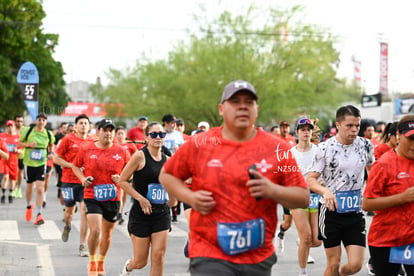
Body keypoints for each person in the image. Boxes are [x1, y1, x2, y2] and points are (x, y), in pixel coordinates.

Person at [159, 80, 309, 275]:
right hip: (209, 251)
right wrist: (190, 198)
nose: (242, 107)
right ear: (221, 109)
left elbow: (303, 197)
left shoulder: (277, 147)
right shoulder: (200, 143)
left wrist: (273, 191)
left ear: (256, 109)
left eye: (249, 102)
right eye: (235, 101)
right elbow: (167, 175)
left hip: (257, 254)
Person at [307, 105, 375, 276]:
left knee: (355, 265)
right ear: (338, 125)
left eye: (357, 126)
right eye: (349, 126)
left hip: (354, 212)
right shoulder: (325, 148)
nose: (354, 130)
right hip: (330, 213)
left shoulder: (366, 145)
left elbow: (373, 171)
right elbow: (310, 179)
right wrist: (324, 191)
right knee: (333, 263)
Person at [72, 118, 130, 276]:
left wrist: (122, 178)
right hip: (92, 194)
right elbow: (76, 166)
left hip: (112, 196)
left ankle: (101, 261)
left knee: (107, 233)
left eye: (111, 130)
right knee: (96, 230)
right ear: (99, 131)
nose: (108, 133)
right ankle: (92, 261)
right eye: (105, 130)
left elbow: (131, 172)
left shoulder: (122, 151)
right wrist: (83, 179)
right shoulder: (86, 149)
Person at [119, 122, 176, 276]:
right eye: (154, 134)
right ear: (146, 137)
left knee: (158, 257)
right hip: (141, 214)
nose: (158, 137)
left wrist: (173, 198)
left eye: (161, 134)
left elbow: (172, 187)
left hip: (161, 214)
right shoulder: (139, 156)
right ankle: (129, 267)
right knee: (140, 262)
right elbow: (122, 181)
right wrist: (140, 198)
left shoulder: (168, 160)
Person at [362, 114, 414, 276]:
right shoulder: (383, 164)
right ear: (398, 136)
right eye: (410, 139)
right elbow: (367, 203)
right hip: (386, 240)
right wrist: (401, 198)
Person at [53, 114, 93, 257]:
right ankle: (68, 225)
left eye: (85, 123)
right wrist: (72, 165)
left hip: (85, 182)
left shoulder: (93, 141)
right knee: (69, 212)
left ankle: (82, 245)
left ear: (90, 126)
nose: (83, 125)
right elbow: (56, 158)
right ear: (75, 126)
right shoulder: (68, 139)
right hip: (69, 180)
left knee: (84, 211)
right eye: (80, 123)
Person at [290, 118, 321, 276]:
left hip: (316, 197)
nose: (306, 132)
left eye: (308, 129)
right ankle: (303, 272)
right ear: (297, 133)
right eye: (302, 129)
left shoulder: (319, 150)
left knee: (316, 240)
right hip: (298, 197)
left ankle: (302, 242)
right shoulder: (290, 153)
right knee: (307, 236)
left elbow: (326, 172)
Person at [18, 113, 55, 225]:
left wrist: (51, 152)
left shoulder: (48, 133)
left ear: (46, 122)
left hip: (41, 163)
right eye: (39, 120)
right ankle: (29, 206)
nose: (41, 122)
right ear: (36, 121)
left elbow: (51, 144)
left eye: (43, 120)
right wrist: (29, 145)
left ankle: (39, 214)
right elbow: (19, 143)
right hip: (29, 164)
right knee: (30, 188)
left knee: (40, 189)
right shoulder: (29, 130)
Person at [275, 120, 296, 254]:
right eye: (283, 127)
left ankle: (305, 248)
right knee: (288, 223)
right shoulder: (275, 141)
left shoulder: (293, 140)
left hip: (294, 183)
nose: (285, 129)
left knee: (301, 222)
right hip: (283, 185)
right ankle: (281, 232)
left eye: (287, 127)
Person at [115, 126, 138, 225]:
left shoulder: (130, 145)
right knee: (120, 192)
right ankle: (119, 213)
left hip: (128, 172)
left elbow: (137, 156)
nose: (120, 136)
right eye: (118, 134)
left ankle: (120, 209)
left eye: (122, 134)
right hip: (117, 173)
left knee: (124, 195)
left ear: (125, 135)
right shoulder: (113, 145)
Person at [0, 120, 20, 204]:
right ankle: (3, 194)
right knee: (5, 177)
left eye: (11, 126)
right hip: (4, 161)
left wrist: (18, 150)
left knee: (13, 179)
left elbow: (23, 149)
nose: (10, 128)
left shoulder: (18, 137)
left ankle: (11, 194)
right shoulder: (2, 136)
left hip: (14, 161)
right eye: (8, 126)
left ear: (14, 127)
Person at [13, 114, 25, 199]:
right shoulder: (12, 129)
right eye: (18, 121)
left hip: (21, 155)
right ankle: (13, 188)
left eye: (21, 121)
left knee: (20, 173)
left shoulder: (25, 130)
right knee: (13, 173)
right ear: (15, 122)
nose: (19, 123)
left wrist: (21, 149)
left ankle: (19, 189)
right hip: (12, 155)